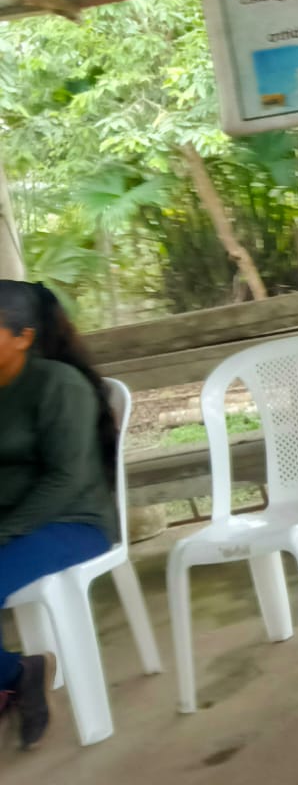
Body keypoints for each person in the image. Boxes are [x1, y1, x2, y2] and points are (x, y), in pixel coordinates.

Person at [0, 281, 119, 751]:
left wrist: (4, 531)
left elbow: (67, 479)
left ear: (23, 337)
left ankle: (14, 678)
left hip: (71, 522)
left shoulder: (59, 386)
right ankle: (16, 674)